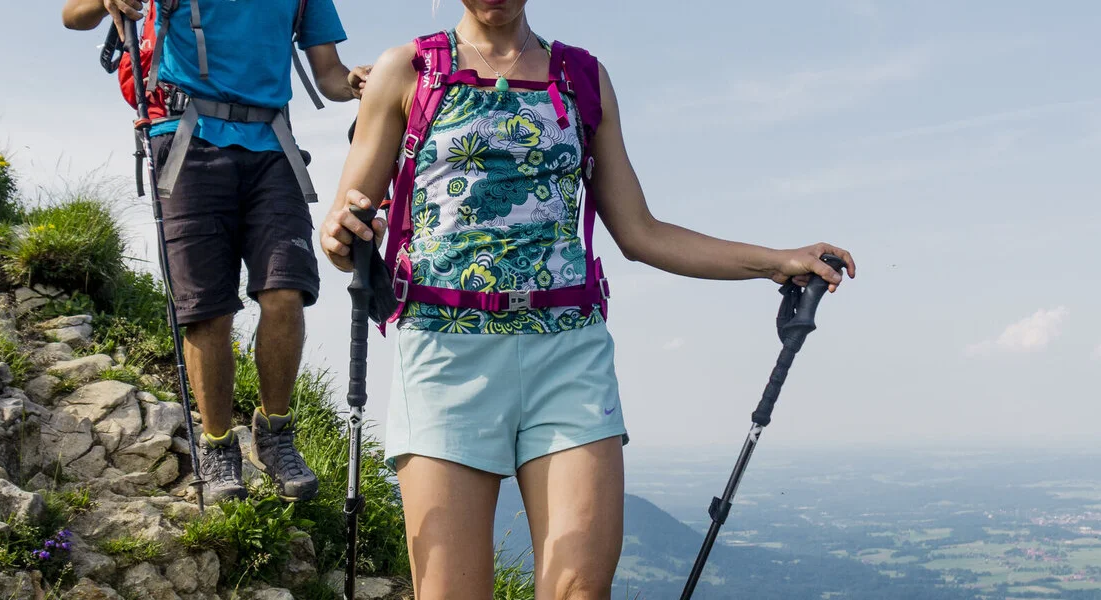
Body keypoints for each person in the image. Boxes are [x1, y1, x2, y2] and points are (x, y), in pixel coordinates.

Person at [318, 0, 857, 596]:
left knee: (580, 589)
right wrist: (341, 236)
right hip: (445, 352)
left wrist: (776, 262)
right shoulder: (407, 70)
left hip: (568, 351)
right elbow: (346, 227)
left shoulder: (581, 77)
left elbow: (640, 232)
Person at [62, 0, 370, 503]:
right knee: (207, 312)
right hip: (186, 139)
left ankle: (275, 435)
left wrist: (356, 82)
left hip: (272, 145)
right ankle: (218, 445)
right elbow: (73, 15)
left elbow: (330, 74)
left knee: (286, 292)